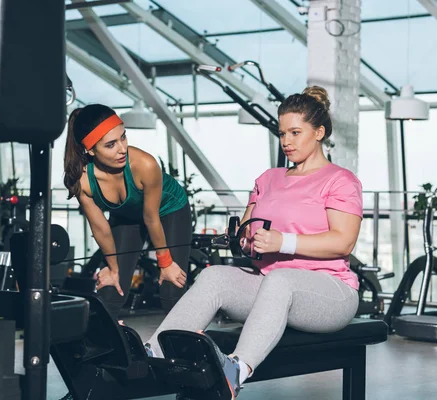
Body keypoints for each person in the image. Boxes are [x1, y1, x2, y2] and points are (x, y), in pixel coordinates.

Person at [144, 86, 363, 398]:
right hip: (272, 287)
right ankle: (152, 353)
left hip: (330, 292)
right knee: (214, 276)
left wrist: (281, 242)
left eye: (296, 132)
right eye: (282, 132)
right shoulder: (268, 179)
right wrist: (247, 243)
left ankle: (236, 370)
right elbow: (248, 232)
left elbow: (343, 243)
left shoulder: (339, 180)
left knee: (281, 279)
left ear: (319, 132)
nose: (286, 141)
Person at [63, 103, 192, 318]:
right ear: (91, 150)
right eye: (111, 144)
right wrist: (113, 269)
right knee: (111, 288)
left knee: (172, 287)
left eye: (123, 137)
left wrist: (166, 263)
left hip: (169, 210)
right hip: (127, 217)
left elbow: (151, 218)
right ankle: (104, 348)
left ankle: (182, 347)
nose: (122, 148)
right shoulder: (82, 181)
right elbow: (100, 228)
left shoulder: (145, 165)